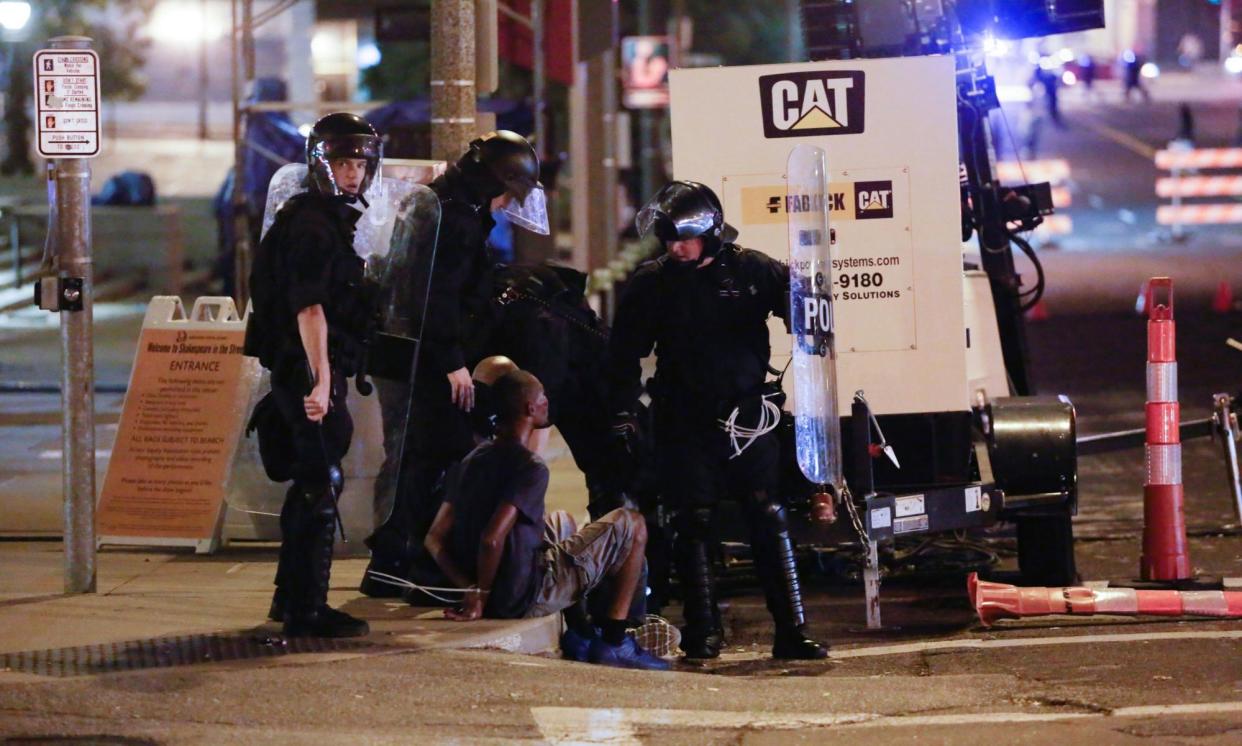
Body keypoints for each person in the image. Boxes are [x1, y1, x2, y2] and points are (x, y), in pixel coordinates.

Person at [607, 181, 828, 661]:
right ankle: (703, 631)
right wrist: (624, 413)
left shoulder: (752, 270)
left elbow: (809, 309)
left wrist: (810, 306)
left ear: (710, 233)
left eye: (683, 239)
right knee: (693, 522)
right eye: (667, 240)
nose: (676, 248)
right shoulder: (652, 283)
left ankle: (792, 631)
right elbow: (622, 356)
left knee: (769, 517)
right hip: (684, 420)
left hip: (750, 417)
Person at [363, 130, 548, 596]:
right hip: (425, 357)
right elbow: (436, 292)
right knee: (426, 459)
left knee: (411, 457)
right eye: (509, 192)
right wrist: (451, 361)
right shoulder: (456, 218)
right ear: (493, 182)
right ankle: (406, 564)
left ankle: (392, 567)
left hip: (403, 350)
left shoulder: (443, 202)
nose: (510, 204)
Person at [424, 370, 669, 670]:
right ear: (529, 408)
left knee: (560, 520)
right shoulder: (530, 467)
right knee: (633, 523)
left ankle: (580, 632)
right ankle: (616, 641)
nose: (546, 401)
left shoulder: (473, 459)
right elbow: (492, 538)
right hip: (521, 595)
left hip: (498, 586)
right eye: (542, 396)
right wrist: (482, 595)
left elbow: (434, 538)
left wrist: (468, 586)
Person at [244, 112, 382, 637]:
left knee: (313, 479)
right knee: (320, 481)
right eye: (344, 162)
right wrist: (321, 380)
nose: (353, 173)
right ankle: (308, 608)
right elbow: (309, 309)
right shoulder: (311, 227)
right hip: (307, 369)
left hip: (305, 367)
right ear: (323, 164)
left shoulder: (319, 219)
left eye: (360, 163)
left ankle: (290, 597)